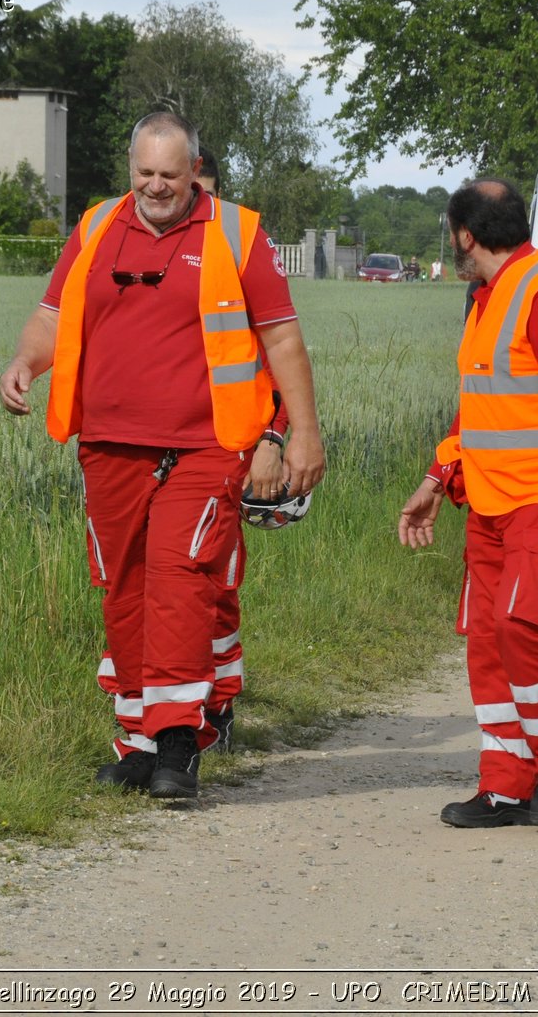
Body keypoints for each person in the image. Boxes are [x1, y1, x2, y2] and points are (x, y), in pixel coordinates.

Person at [0, 111, 325, 800]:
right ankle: (137, 743)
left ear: (193, 170)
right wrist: (27, 362)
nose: (154, 187)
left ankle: (181, 740)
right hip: (109, 445)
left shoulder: (238, 233)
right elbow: (53, 316)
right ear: (129, 169)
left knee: (179, 580)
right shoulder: (94, 227)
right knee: (124, 586)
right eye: (143, 173)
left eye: (169, 176)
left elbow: (283, 340)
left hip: (206, 446)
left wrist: (298, 433)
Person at [398, 177, 538, 829]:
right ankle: (506, 783)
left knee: (521, 629)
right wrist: (436, 477)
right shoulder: (485, 296)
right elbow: (479, 407)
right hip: (485, 501)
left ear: (464, 234)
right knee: (486, 641)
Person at [192, 144, 290, 754]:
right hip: (160, 450)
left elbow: (279, 360)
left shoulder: (240, 249)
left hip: (226, 452)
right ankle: (163, 716)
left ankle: (218, 706)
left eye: (198, 191)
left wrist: (275, 440)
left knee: (215, 588)